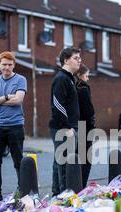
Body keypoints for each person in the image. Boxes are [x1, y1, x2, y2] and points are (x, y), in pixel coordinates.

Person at [0, 51, 27, 205]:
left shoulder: (20, 79)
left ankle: (22, 193)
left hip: (16, 125)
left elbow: (18, 100)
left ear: (14, 65)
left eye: (10, 65)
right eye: (4, 64)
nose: (7, 67)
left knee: (18, 161)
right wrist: (6, 97)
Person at [49, 47, 81, 196]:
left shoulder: (70, 78)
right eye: (76, 58)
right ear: (66, 60)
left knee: (59, 162)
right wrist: (67, 127)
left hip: (69, 128)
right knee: (63, 163)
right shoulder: (61, 78)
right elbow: (57, 104)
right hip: (63, 129)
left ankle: (56, 194)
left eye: (79, 58)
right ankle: (62, 195)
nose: (79, 61)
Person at [75, 64, 96, 189]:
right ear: (80, 75)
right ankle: (81, 186)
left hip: (77, 126)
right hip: (85, 127)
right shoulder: (83, 89)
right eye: (86, 76)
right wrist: (92, 124)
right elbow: (88, 110)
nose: (88, 79)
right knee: (86, 160)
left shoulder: (73, 87)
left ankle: (77, 185)